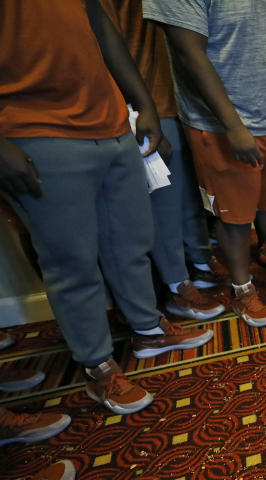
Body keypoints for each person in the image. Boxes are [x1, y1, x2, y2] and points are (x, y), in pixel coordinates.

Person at [1, 0, 214, 415]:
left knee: (131, 241)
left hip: (111, 118)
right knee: (72, 262)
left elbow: (99, 22)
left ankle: (148, 330)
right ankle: (98, 368)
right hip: (32, 125)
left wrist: (143, 101)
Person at [145, 0, 266, 330]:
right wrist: (233, 126)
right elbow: (189, 53)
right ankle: (242, 290)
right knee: (235, 217)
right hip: (218, 124)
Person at [98, 0, 225, 321]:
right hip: (146, 102)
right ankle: (176, 286)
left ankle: (197, 264)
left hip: (182, 98)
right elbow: (107, 43)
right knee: (164, 206)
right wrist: (139, 107)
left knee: (189, 199)